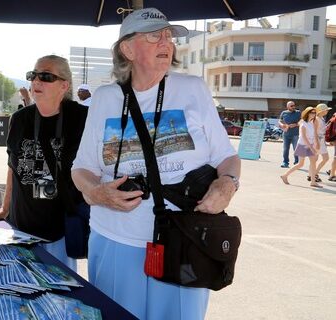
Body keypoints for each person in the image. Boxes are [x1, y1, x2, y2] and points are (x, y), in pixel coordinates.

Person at [71, 8, 240, 319]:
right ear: (128, 49)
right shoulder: (105, 98)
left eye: (169, 36)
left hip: (184, 240)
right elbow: (81, 168)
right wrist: (96, 193)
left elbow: (226, 157)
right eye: (154, 35)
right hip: (114, 239)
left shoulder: (193, 90)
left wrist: (227, 183)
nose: (167, 42)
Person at [0, 55, 89, 271]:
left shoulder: (82, 118)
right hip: (20, 228)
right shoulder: (19, 119)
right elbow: (12, 165)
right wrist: (4, 208)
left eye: (46, 76)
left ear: (64, 85)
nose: (36, 81)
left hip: (60, 234)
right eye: (33, 75)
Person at [280, 106, 322, 188]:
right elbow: (304, 138)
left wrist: (316, 143)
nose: (313, 114)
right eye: (312, 112)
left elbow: (314, 134)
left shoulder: (312, 123)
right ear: (307, 113)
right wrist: (311, 147)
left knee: (313, 163)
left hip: (311, 144)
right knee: (300, 164)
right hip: (303, 145)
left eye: (314, 113)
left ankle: (313, 182)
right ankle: (285, 175)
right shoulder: (303, 124)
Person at [279, 101, 301, 168]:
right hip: (286, 134)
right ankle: (285, 162)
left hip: (295, 134)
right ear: (287, 107)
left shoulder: (298, 112)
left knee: (296, 149)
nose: (293, 107)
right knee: (285, 149)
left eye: (294, 105)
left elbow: (302, 121)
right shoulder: (284, 113)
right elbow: (280, 120)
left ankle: (297, 162)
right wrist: (282, 125)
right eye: (291, 106)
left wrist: (296, 124)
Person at [313, 103, 331, 181]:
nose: (327, 111)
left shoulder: (321, 118)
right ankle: (313, 174)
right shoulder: (317, 119)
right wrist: (317, 142)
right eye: (326, 110)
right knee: (318, 159)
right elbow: (314, 131)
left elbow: (321, 129)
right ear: (321, 111)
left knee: (321, 158)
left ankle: (313, 174)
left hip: (321, 140)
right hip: (318, 140)